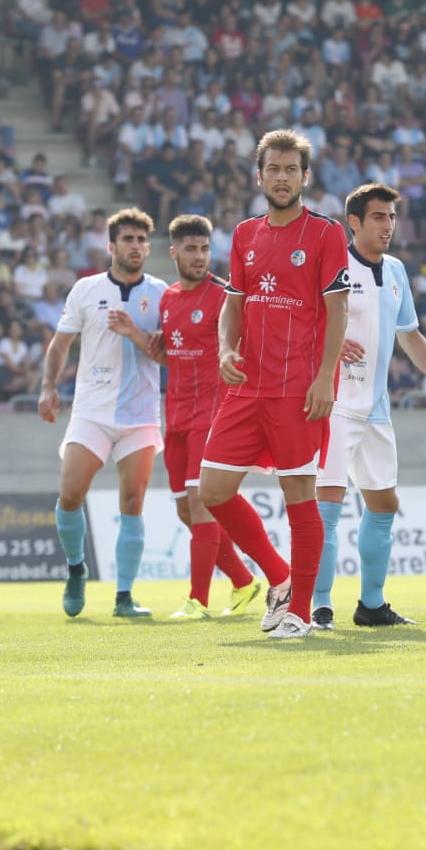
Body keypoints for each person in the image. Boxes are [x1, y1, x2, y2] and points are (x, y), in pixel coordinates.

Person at [193, 130, 352, 640]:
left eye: (291, 170)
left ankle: (299, 612)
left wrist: (326, 378)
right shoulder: (243, 234)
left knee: (299, 496)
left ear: (305, 177)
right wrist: (224, 349)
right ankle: (279, 577)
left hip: (298, 388)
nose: (281, 178)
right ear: (259, 176)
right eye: (273, 170)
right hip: (246, 386)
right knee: (213, 490)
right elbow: (232, 304)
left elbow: (338, 310)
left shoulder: (326, 234)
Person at [311, 183, 426, 630]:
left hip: (376, 407)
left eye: (392, 217)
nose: (388, 226)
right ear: (354, 222)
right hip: (336, 403)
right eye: (378, 217)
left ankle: (371, 605)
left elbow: (410, 335)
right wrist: (332, 347)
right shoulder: (333, 264)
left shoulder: (396, 270)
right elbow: (306, 320)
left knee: (383, 504)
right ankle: (319, 604)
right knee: (328, 504)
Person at [113, 214, 263, 620]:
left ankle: (198, 600)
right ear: (174, 252)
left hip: (211, 415)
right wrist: (133, 334)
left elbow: (244, 343)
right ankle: (245, 583)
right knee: (185, 511)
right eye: (191, 249)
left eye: (204, 248)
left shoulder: (223, 297)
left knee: (200, 507)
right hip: (175, 415)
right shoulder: (169, 299)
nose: (200, 257)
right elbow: (168, 353)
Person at [39, 208, 167, 619]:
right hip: (91, 409)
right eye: (128, 240)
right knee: (70, 492)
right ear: (111, 246)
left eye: (141, 240)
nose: (136, 247)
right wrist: (47, 388)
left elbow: (166, 355)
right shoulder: (85, 289)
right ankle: (76, 568)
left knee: (133, 500)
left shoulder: (163, 293)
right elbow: (60, 345)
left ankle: (124, 597)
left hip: (141, 413)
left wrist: (133, 332)